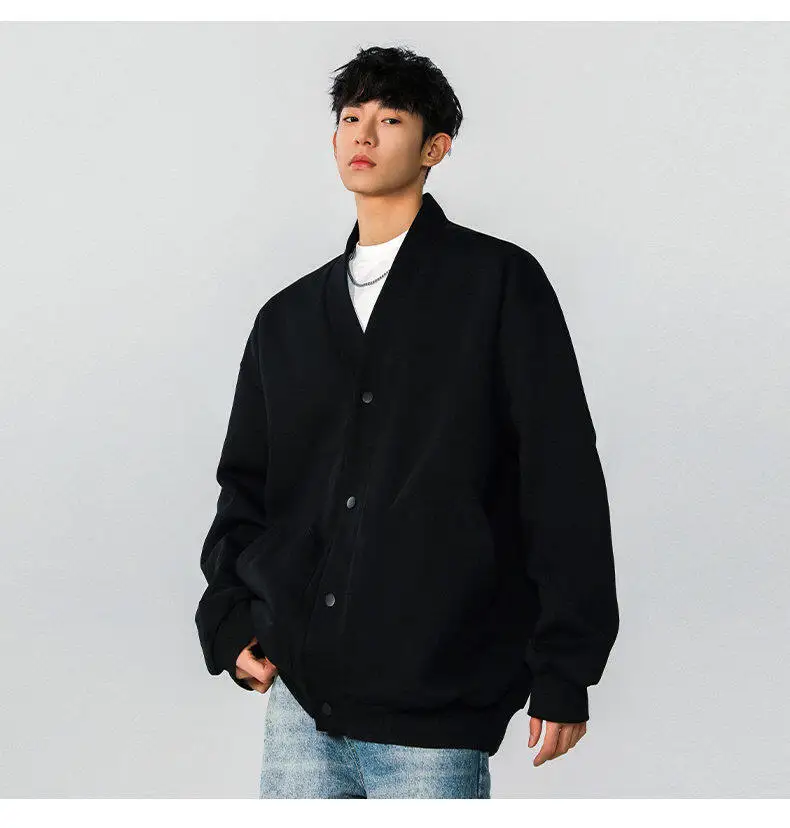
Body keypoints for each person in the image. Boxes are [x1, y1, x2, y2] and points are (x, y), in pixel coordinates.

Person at [195, 45, 620, 799]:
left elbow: (560, 479)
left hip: (435, 699)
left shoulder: (497, 284)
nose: (363, 134)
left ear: (435, 148)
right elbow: (247, 488)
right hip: (300, 706)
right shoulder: (287, 319)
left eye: (390, 119)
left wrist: (565, 666)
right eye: (350, 117)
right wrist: (229, 620)